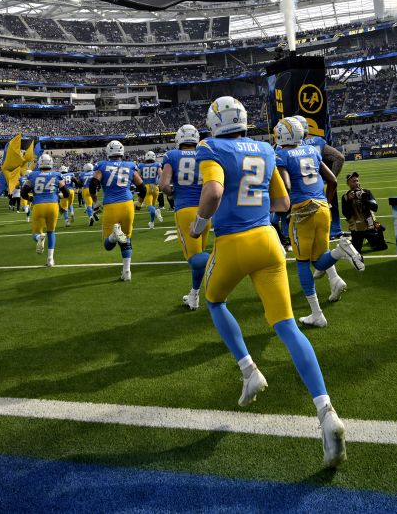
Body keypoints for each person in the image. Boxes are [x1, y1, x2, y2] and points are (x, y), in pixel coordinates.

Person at [191, 96, 346, 468]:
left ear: (215, 122)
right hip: (269, 243)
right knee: (288, 327)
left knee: (214, 302)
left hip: (232, 242)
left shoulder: (210, 146)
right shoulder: (263, 147)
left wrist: (200, 224)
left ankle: (249, 371)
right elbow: (280, 201)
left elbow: (212, 192)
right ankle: (327, 413)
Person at [274, 117, 364, 328]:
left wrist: (284, 207)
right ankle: (341, 251)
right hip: (322, 207)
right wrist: (326, 201)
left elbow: (286, 185)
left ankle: (316, 313)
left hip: (302, 211)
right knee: (318, 260)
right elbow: (332, 179)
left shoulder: (282, 154)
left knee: (303, 262)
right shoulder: (312, 150)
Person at [159, 124, 209, 310]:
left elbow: (164, 185)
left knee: (194, 258)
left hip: (186, 210)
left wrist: (173, 191)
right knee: (198, 260)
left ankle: (226, 258)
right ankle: (194, 295)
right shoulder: (205, 153)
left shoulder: (172, 155)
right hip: (206, 209)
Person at [90, 140, 144, 282]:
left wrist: (95, 202)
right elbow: (142, 188)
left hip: (111, 206)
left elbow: (93, 184)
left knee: (108, 245)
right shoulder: (130, 165)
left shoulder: (102, 165)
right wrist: (140, 202)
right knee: (126, 240)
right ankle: (127, 272)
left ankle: (114, 235)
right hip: (127, 205)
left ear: (108, 152)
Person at [290, 115, 345, 239]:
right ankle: (334, 231)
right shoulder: (316, 142)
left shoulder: (289, 147)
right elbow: (339, 158)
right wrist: (328, 179)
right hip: (321, 186)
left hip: (301, 190)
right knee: (328, 207)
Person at [28, 153, 63, 267]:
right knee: (51, 232)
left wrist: (31, 198)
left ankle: (39, 238)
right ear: (51, 163)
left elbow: (24, 192)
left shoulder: (33, 175)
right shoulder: (57, 175)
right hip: (53, 205)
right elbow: (66, 192)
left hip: (38, 205)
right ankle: (50, 259)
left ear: (39, 164)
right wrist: (58, 195)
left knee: (36, 233)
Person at [341, 172, 388, 253]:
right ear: (348, 183)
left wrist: (364, 200)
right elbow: (346, 214)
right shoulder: (345, 197)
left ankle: (379, 229)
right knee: (356, 251)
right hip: (356, 228)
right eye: (353, 181)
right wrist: (349, 201)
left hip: (369, 226)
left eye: (357, 181)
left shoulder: (366, 193)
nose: (356, 183)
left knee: (382, 247)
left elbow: (375, 208)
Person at [139, 151, 163, 229]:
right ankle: (151, 222)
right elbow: (161, 174)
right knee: (152, 206)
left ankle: (156, 212)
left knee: (149, 206)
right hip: (155, 187)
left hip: (146, 187)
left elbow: (138, 176)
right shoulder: (157, 164)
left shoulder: (141, 165)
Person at [79, 162, 98, 227]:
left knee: (88, 205)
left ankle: (90, 217)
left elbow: (79, 183)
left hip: (86, 189)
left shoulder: (82, 174)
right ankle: (95, 213)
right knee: (94, 202)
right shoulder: (94, 173)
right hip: (93, 189)